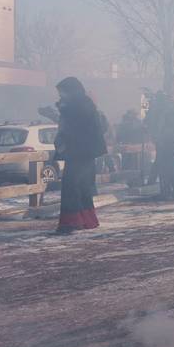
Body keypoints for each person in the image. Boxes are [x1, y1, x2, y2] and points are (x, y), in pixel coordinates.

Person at [51, 77, 107, 235]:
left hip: (78, 152)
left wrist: (60, 110)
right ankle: (87, 220)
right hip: (83, 152)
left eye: (62, 93)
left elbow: (74, 129)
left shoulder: (78, 107)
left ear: (71, 91)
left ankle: (72, 222)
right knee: (82, 188)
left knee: (71, 187)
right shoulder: (85, 105)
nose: (60, 96)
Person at [145, 91, 174, 200]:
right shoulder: (168, 109)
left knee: (167, 167)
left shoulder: (168, 110)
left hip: (168, 141)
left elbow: (153, 123)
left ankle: (169, 191)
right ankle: (173, 191)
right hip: (166, 141)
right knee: (169, 166)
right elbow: (149, 122)